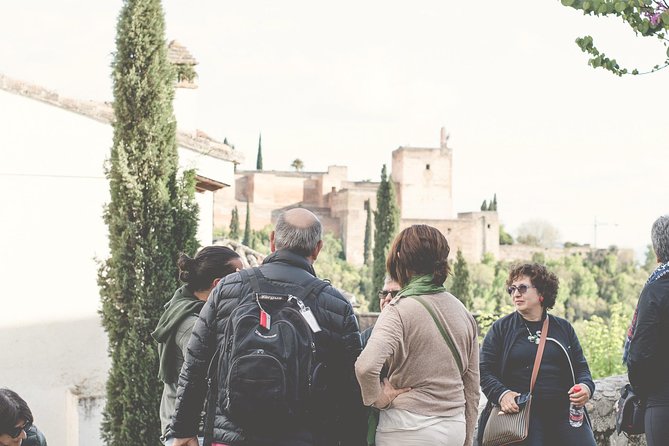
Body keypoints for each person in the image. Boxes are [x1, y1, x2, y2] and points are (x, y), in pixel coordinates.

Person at [170, 208, 366, 446]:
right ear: (318, 248)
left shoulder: (227, 289)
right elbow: (350, 389)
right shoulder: (335, 304)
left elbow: (195, 365)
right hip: (306, 437)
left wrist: (183, 429)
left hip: (232, 436)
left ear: (273, 240)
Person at [355, 224, 480, 446]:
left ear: (400, 257)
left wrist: (379, 399)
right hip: (454, 427)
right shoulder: (462, 311)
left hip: (407, 427)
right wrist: (467, 437)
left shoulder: (398, 309)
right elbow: (471, 386)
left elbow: (365, 366)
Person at [477, 263, 596, 446]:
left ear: (542, 293)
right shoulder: (501, 329)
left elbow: (581, 368)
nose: (516, 294)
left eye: (522, 288)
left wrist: (586, 388)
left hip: (564, 414)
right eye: (512, 289)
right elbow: (484, 370)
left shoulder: (563, 328)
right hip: (521, 415)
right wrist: (502, 394)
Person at [152, 246, 243, 446]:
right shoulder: (194, 324)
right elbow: (203, 378)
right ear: (220, 284)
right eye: (239, 276)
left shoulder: (199, 311)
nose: (243, 282)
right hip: (193, 435)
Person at [626, 215, 669, 446]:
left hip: (663, 399)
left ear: (657, 252)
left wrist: (641, 391)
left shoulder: (657, 289)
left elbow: (640, 354)